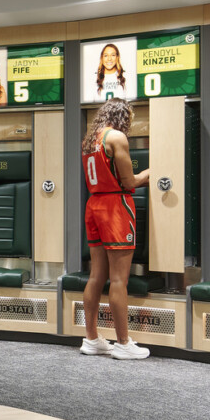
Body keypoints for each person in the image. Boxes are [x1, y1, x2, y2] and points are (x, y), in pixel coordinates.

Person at [78, 100, 153, 360]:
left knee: (96, 276)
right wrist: (153, 172)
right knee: (119, 279)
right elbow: (129, 181)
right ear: (124, 117)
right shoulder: (117, 137)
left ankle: (91, 339)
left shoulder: (90, 140)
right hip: (115, 208)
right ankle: (122, 343)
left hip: (94, 205)